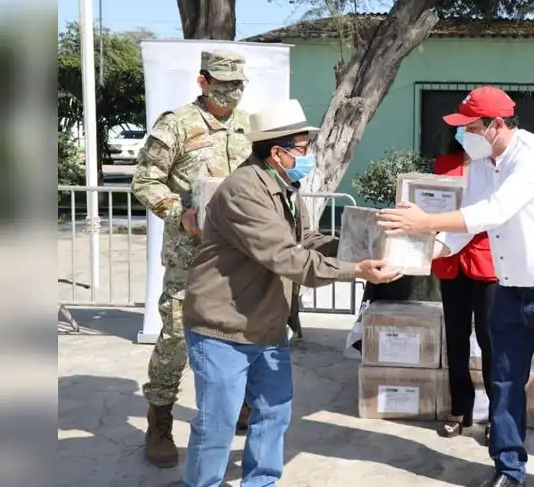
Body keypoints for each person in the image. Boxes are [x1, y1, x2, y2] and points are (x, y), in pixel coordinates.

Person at [378, 86, 534, 487]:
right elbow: (466, 230)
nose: (463, 135)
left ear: (496, 125)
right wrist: (412, 256)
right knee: (503, 383)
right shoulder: (482, 163)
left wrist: (426, 221)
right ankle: (508, 468)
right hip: (509, 289)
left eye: (470, 127)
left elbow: (494, 211)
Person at [181, 99, 400, 487]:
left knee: (273, 412)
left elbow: (305, 240)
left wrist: (357, 241)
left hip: (266, 323)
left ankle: (261, 481)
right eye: (302, 148)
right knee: (218, 424)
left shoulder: (284, 185)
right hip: (222, 327)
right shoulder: (243, 192)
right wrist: (355, 270)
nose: (309, 155)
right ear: (277, 152)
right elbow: (287, 258)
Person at [131, 50, 255, 468]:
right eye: (225, 83)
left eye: (239, 83)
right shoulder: (177, 125)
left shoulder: (244, 124)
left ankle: (235, 404)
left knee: (237, 331)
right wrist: (177, 213)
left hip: (237, 254)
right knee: (175, 339)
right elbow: (143, 181)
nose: (233, 91)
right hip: (191, 255)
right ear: (203, 82)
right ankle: (160, 419)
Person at [431, 128, 497, 441]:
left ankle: (499, 414)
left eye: (473, 128)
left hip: (485, 262)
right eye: (463, 130)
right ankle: (460, 408)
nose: (468, 134)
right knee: (456, 338)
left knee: (490, 340)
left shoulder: (496, 167)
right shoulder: (443, 164)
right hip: (449, 260)